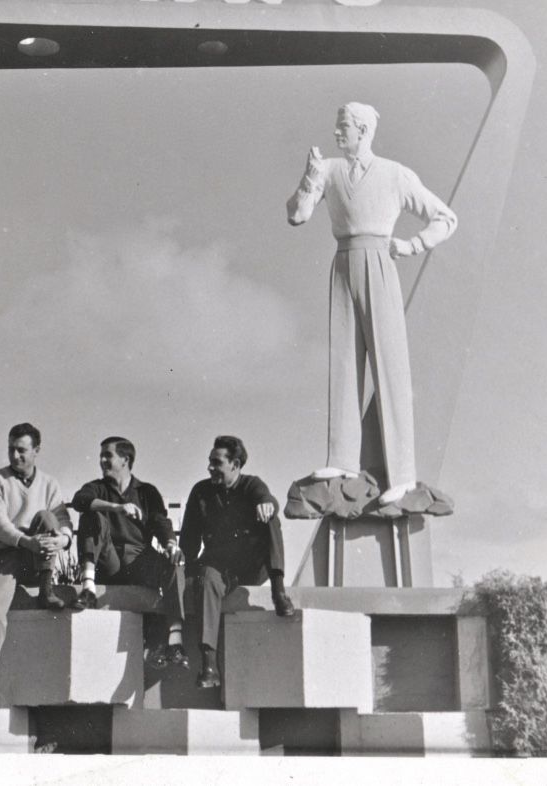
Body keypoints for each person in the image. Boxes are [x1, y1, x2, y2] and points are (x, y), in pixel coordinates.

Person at [286, 102, 458, 504]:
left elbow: (445, 217)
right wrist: (309, 180)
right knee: (344, 362)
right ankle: (342, 459)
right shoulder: (326, 169)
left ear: (363, 131)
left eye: (343, 126)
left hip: (380, 260)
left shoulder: (395, 174)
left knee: (390, 364)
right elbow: (297, 216)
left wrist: (413, 245)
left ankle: (403, 474)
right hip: (343, 262)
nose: (336, 133)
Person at [0, 423, 72, 711]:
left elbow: (62, 521)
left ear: (36, 451)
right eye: (11, 449)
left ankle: (47, 588)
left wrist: (61, 540)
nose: (15, 455)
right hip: (3, 555)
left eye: (22, 450)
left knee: (48, 517)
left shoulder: (49, 483)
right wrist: (27, 542)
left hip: (36, 558)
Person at [180, 436, 293, 689]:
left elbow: (266, 496)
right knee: (206, 578)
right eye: (209, 461)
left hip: (252, 566)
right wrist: (186, 572)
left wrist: (267, 504)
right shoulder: (201, 491)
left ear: (235, 464)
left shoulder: (251, 485)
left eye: (216, 462)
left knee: (270, 519)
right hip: (219, 566)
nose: (210, 467)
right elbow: (189, 536)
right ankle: (209, 665)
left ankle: (279, 591)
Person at [71, 437, 188, 670]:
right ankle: (88, 588)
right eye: (101, 455)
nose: (102, 460)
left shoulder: (147, 491)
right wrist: (116, 507)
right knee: (90, 515)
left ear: (125, 460)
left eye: (108, 455)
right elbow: (79, 500)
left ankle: (175, 641)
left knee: (175, 564)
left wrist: (171, 545)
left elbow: (160, 522)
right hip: (109, 558)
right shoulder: (97, 487)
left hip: (139, 559)